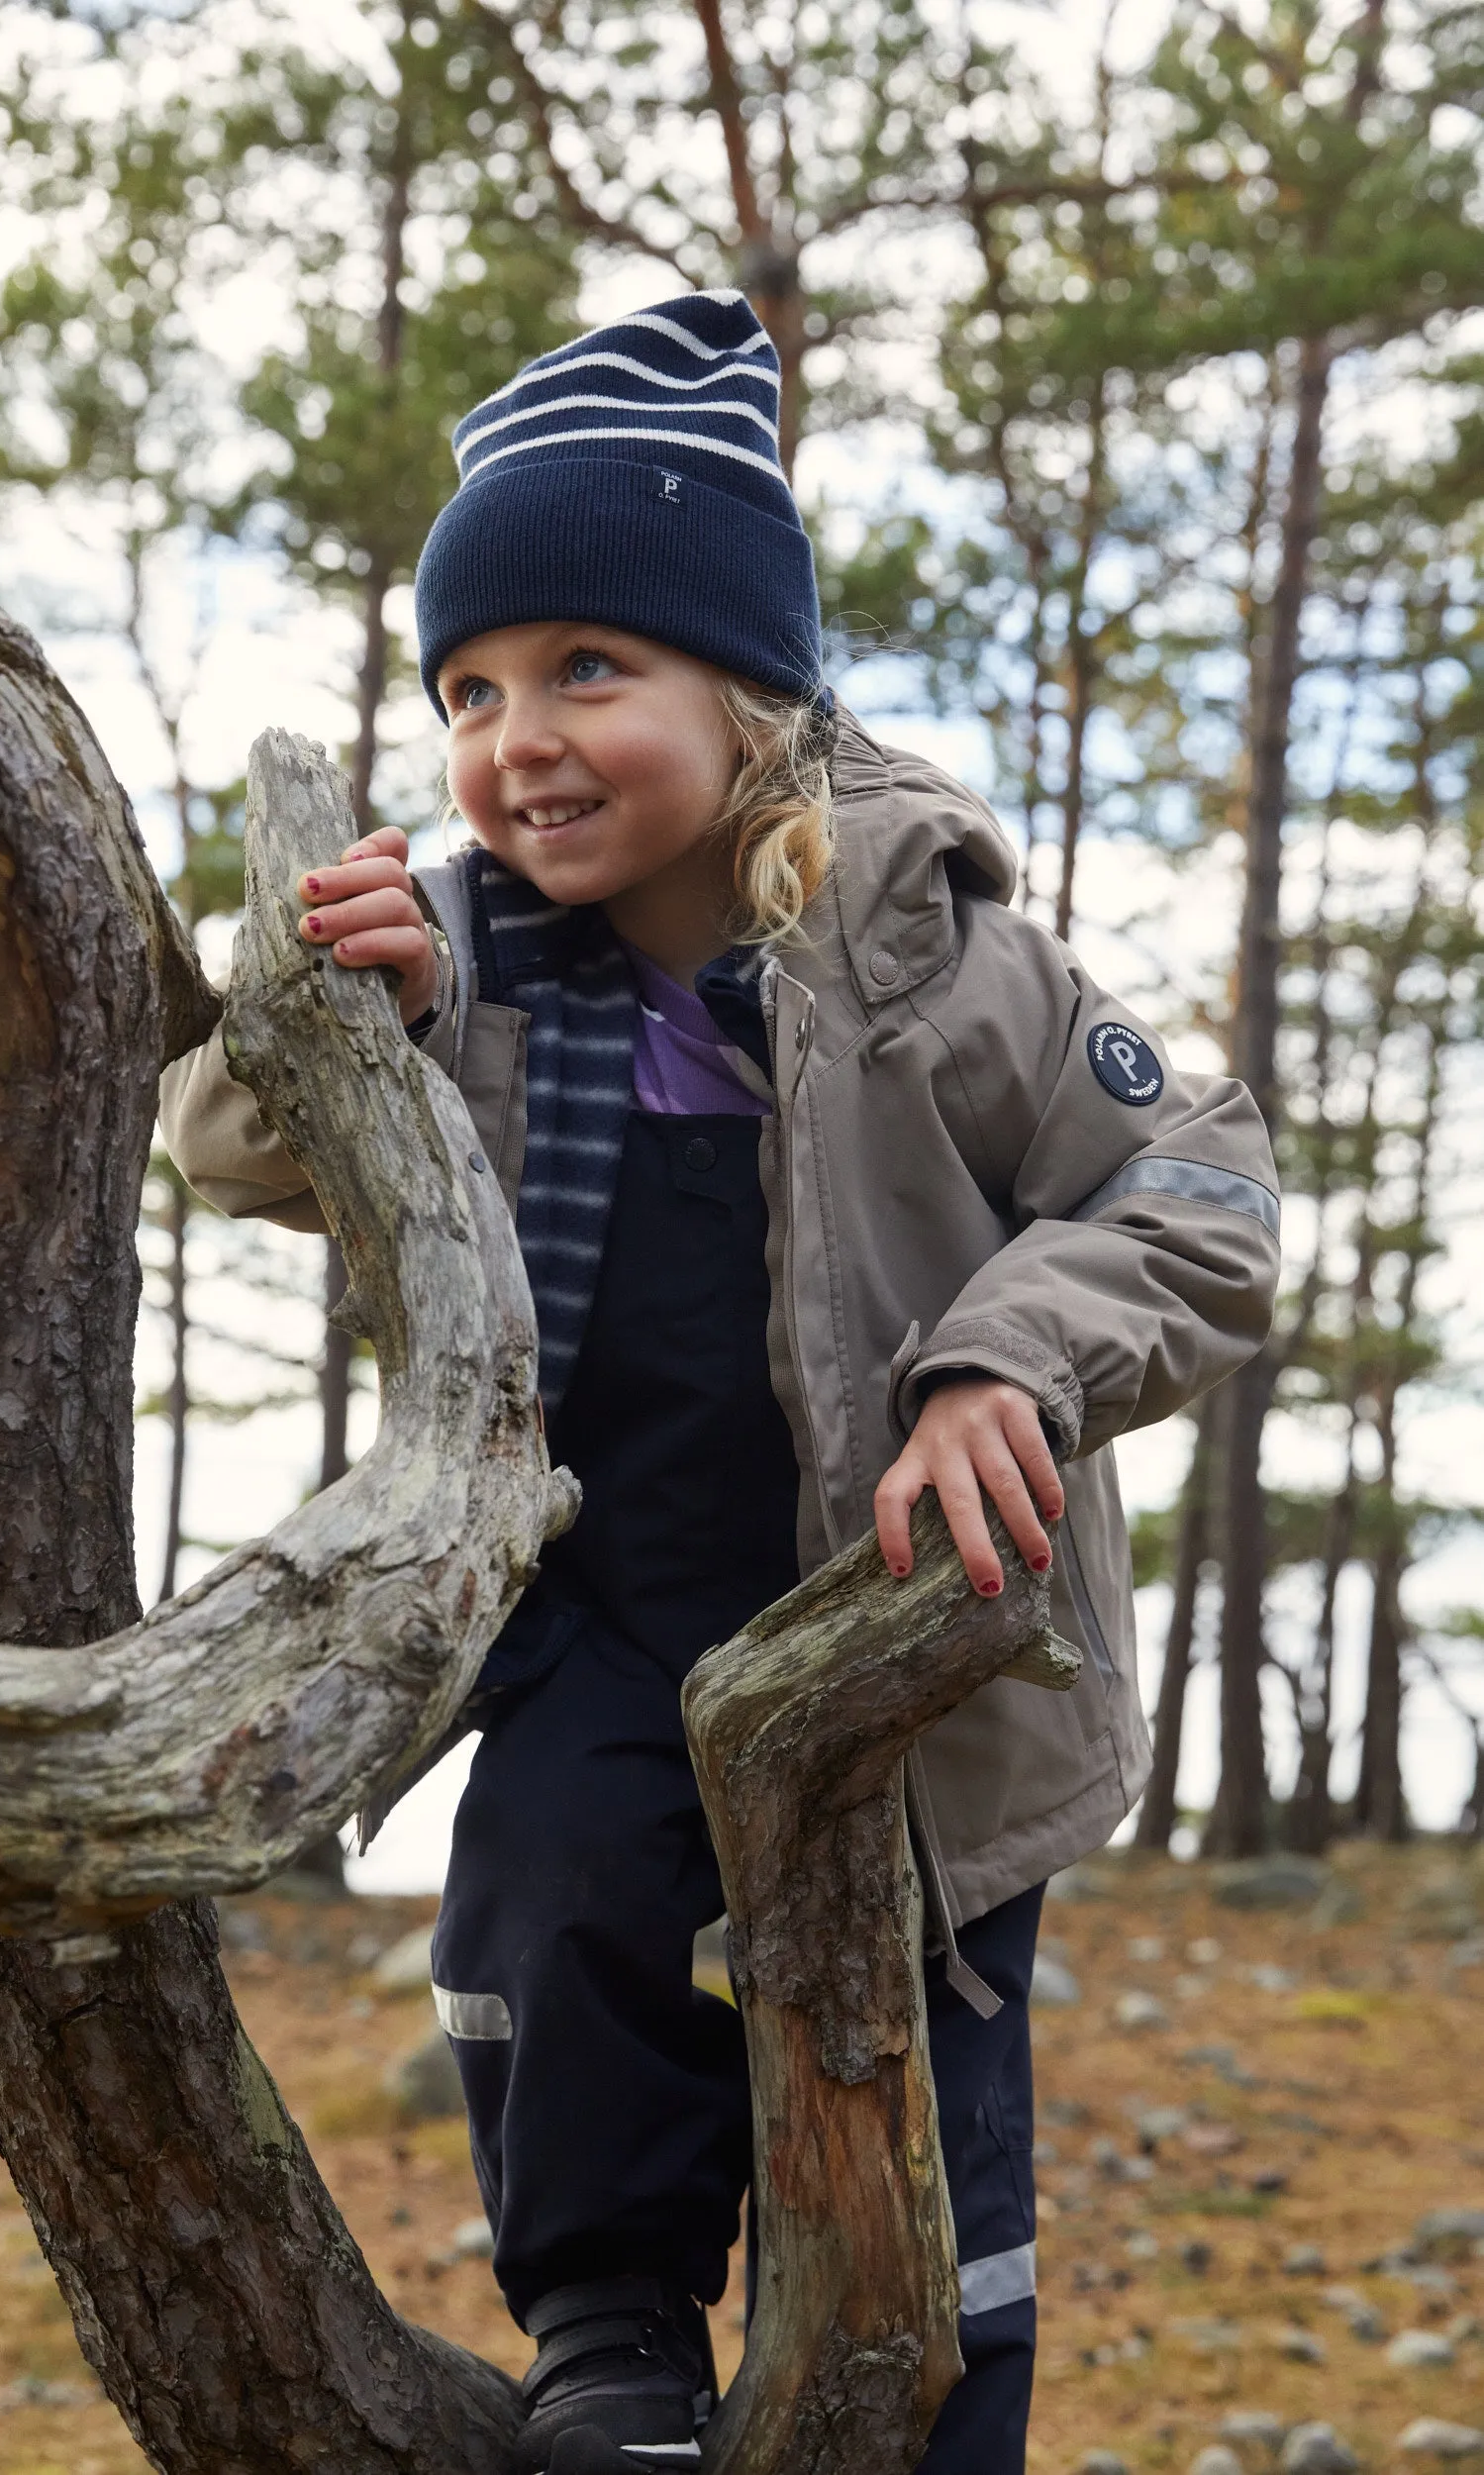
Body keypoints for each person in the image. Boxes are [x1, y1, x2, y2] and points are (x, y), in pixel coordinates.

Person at [160, 289, 1280, 2475]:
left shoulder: (920, 951)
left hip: (909, 1638)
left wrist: (1000, 1368)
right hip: (601, 1599)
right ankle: (611, 2343)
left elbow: (1199, 1188)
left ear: (742, 690)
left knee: (910, 2107)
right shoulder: (469, 955)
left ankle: (924, 2414)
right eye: (470, 689)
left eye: (591, 667)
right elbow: (213, 1137)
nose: (518, 738)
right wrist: (334, 1007)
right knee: (554, 1905)